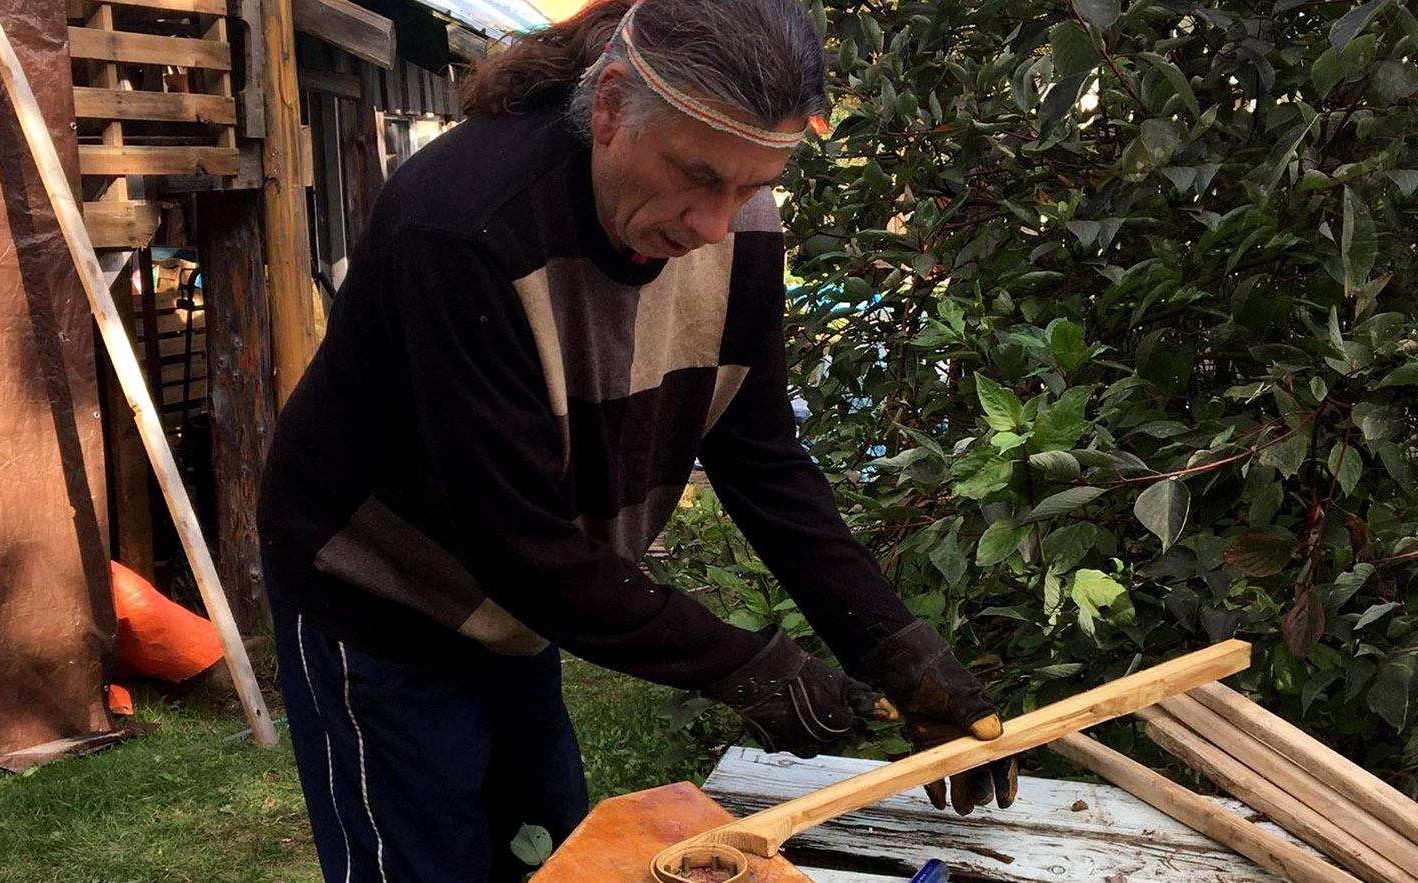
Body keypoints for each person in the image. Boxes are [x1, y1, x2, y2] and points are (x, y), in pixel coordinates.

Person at [255, 1, 1016, 880]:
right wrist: (747, 667)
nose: (714, 225)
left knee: (544, 855)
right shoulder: (461, 226)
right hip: (377, 589)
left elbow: (762, 458)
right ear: (611, 105)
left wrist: (893, 646)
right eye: (698, 175)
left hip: (527, 605)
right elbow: (519, 545)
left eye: (752, 184)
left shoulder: (737, 228)